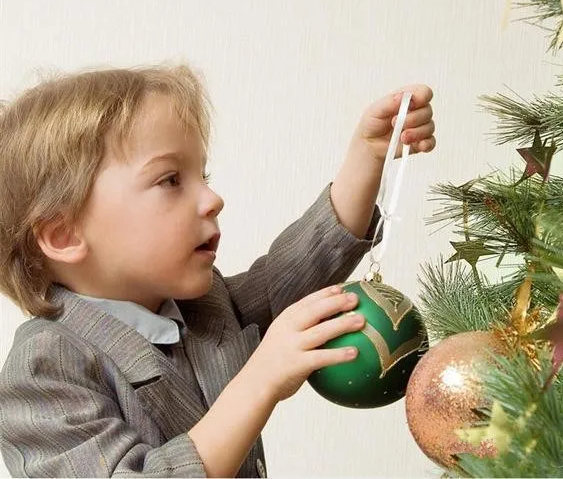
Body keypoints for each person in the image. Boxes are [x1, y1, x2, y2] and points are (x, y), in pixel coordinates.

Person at [0, 65, 436, 477]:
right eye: (171, 179)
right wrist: (259, 380)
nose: (212, 199)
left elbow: (296, 271)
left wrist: (367, 155)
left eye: (203, 175)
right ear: (64, 236)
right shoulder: (45, 369)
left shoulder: (204, 309)